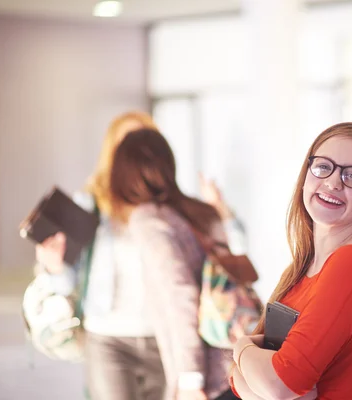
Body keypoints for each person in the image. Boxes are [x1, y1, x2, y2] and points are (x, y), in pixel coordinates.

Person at [35, 112, 241, 400]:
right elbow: (68, 283)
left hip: (163, 336)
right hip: (107, 336)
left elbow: (226, 269)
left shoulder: (172, 214)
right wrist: (55, 268)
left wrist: (222, 212)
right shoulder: (92, 206)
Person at [229, 122, 352, 399]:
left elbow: (279, 384)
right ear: (307, 173)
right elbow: (237, 379)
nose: (333, 182)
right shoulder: (299, 269)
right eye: (323, 166)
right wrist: (256, 373)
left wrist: (241, 347)